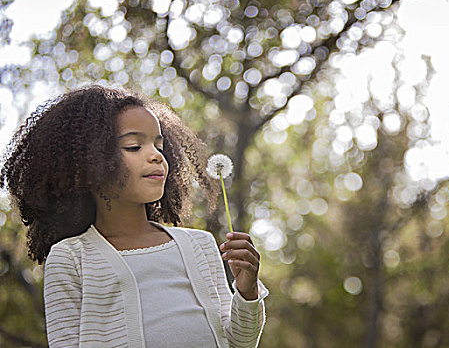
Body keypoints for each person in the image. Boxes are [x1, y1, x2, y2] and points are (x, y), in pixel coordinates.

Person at [0, 85, 268, 348]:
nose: (156, 156)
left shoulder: (201, 245)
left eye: (159, 146)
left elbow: (239, 343)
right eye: (133, 146)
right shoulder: (70, 257)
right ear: (88, 164)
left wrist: (247, 291)